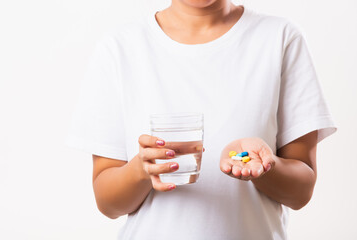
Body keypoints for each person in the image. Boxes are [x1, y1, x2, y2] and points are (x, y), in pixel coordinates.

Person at [65, 0, 336, 239]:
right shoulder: (120, 49)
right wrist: (141, 170)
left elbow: (301, 193)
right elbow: (108, 203)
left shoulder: (280, 38)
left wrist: (267, 166)